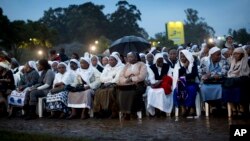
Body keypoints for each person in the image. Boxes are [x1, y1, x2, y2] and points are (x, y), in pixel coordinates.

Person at [117, 52, 147, 120]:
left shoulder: (142, 65)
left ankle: (132, 112)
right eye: (128, 57)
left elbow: (142, 76)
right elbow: (121, 76)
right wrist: (125, 80)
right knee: (121, 93)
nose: (129, 59)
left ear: (136, 57)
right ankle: (126, 112)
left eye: (131, 57)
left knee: (132, 93)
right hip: (127, 85)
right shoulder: (126, 65)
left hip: (139, 84)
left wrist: (131, 79)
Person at [93, 54, 124, 118]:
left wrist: (109, 82)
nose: (110, 61)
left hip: (116, 84)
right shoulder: (107, 67)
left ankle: (113, 111)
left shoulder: (121, 67)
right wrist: (111, 77)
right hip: (105, 84)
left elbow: (117, 79)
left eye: (112, 60)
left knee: (110, 91)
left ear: (116, 61)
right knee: (98, 92)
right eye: (109, 60)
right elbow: (101, 78)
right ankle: (100, 111)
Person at [223, 47, 250, 118]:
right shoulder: (232, 62)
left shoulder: (247, 62)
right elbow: (230, 72)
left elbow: (246, 73)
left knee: (240, 87)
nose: (235, 55)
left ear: (242, 54)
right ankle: (233, 108)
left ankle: (241, 107)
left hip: (244, 80)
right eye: (234, 54)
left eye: (237, 54)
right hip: (233, 80)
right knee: (226, 88)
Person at [200, 47, 227, 115]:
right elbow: (201, 73)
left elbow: (225, 72)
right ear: (211, 55)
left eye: (220, 54)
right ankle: (212, 105)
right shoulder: (204, 60)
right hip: (207, 83)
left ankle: (218, 106)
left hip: (219, 82)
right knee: (204, 89)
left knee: (221, 88)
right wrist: (212, 75)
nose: (219, 56)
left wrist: (210, 74)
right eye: (217, 55)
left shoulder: (223, 60)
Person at [173, 50, 199, 117]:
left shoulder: (193, 63)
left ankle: (191, 108)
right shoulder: (178, 64)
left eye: (184, 57)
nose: (182, 58)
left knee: (191, 90)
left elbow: (194, 74)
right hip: (181, 83)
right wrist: (184, 67)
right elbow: (178, 76)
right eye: (181, 57)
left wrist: (184, 76)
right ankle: (183, 108)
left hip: (192, 83)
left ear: (187, 56)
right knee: (176, 91)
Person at [146, 53, 173, 117]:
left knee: (162, 91)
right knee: (151, 92)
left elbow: (169, 77)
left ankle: (162, 110)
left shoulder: (167, 66)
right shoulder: (151, 67)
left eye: (162, 61)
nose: (161, 63)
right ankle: (156, 109)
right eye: (159, 61)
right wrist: (158, 81)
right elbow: (151, 79)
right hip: (155, 85)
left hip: (165, 84)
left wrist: (161, 81)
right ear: (156, 61)